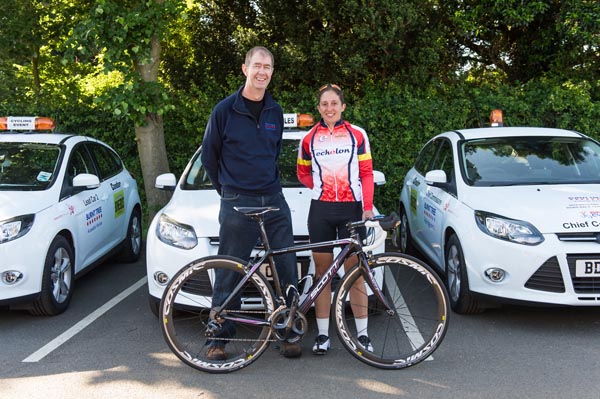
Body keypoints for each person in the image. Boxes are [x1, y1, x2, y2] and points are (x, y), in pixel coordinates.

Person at [201, 46, 301, 360]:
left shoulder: (274, 111)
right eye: (257, 65)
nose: (262, 72)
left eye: (267, 67)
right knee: (230, 269)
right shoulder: (224, 110)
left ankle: (288, 331)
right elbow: (209, 156)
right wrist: (228, 191)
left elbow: (272, 154)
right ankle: (217, 337)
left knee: (286, 265)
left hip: (273, 197)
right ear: (245, 69)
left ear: (272, 72)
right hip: (236, 200)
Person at [297, 84, 375, 355]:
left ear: (343, 106)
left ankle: (362, 335)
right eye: (324, 104)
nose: (329, 108)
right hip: (321, 212)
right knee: (322, 275)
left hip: (351, 210)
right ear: (318, 108)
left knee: (356, 274)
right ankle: (322, 336)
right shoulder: (308, 138)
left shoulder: (357, 134)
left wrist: (366, 208)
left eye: (334, 103)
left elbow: (366, 173)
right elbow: (302, 173)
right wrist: (322, 188)